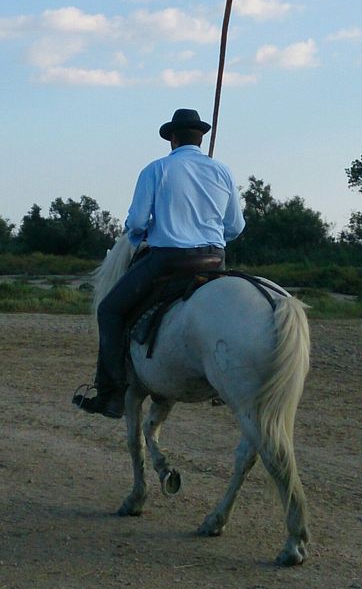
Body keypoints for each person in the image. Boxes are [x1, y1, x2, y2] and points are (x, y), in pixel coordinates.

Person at [73, 108, 246, 418]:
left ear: (173, 139)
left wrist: (143, 234)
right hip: (214, 262)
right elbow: (235, 227)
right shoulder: (222, 171)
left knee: (109, 311)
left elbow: (137, 221)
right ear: (201, 137)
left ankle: (111, 394)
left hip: (169, 261)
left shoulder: (156, 170)